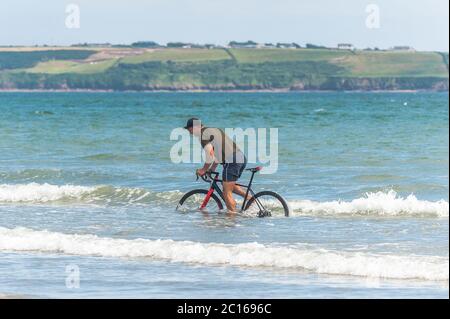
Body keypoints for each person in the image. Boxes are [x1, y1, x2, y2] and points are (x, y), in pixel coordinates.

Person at [184, 118, 250, 212]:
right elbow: (217, 153)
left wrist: (203, 169)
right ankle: (252, 200)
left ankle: (231, 219)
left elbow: (210, 153)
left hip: (232, 161)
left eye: (189, 130)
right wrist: (212, 169)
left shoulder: (202, 135)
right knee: (228, 185)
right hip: (241, 157)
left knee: (226, 192)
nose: (190, 133)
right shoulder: (214, 129)